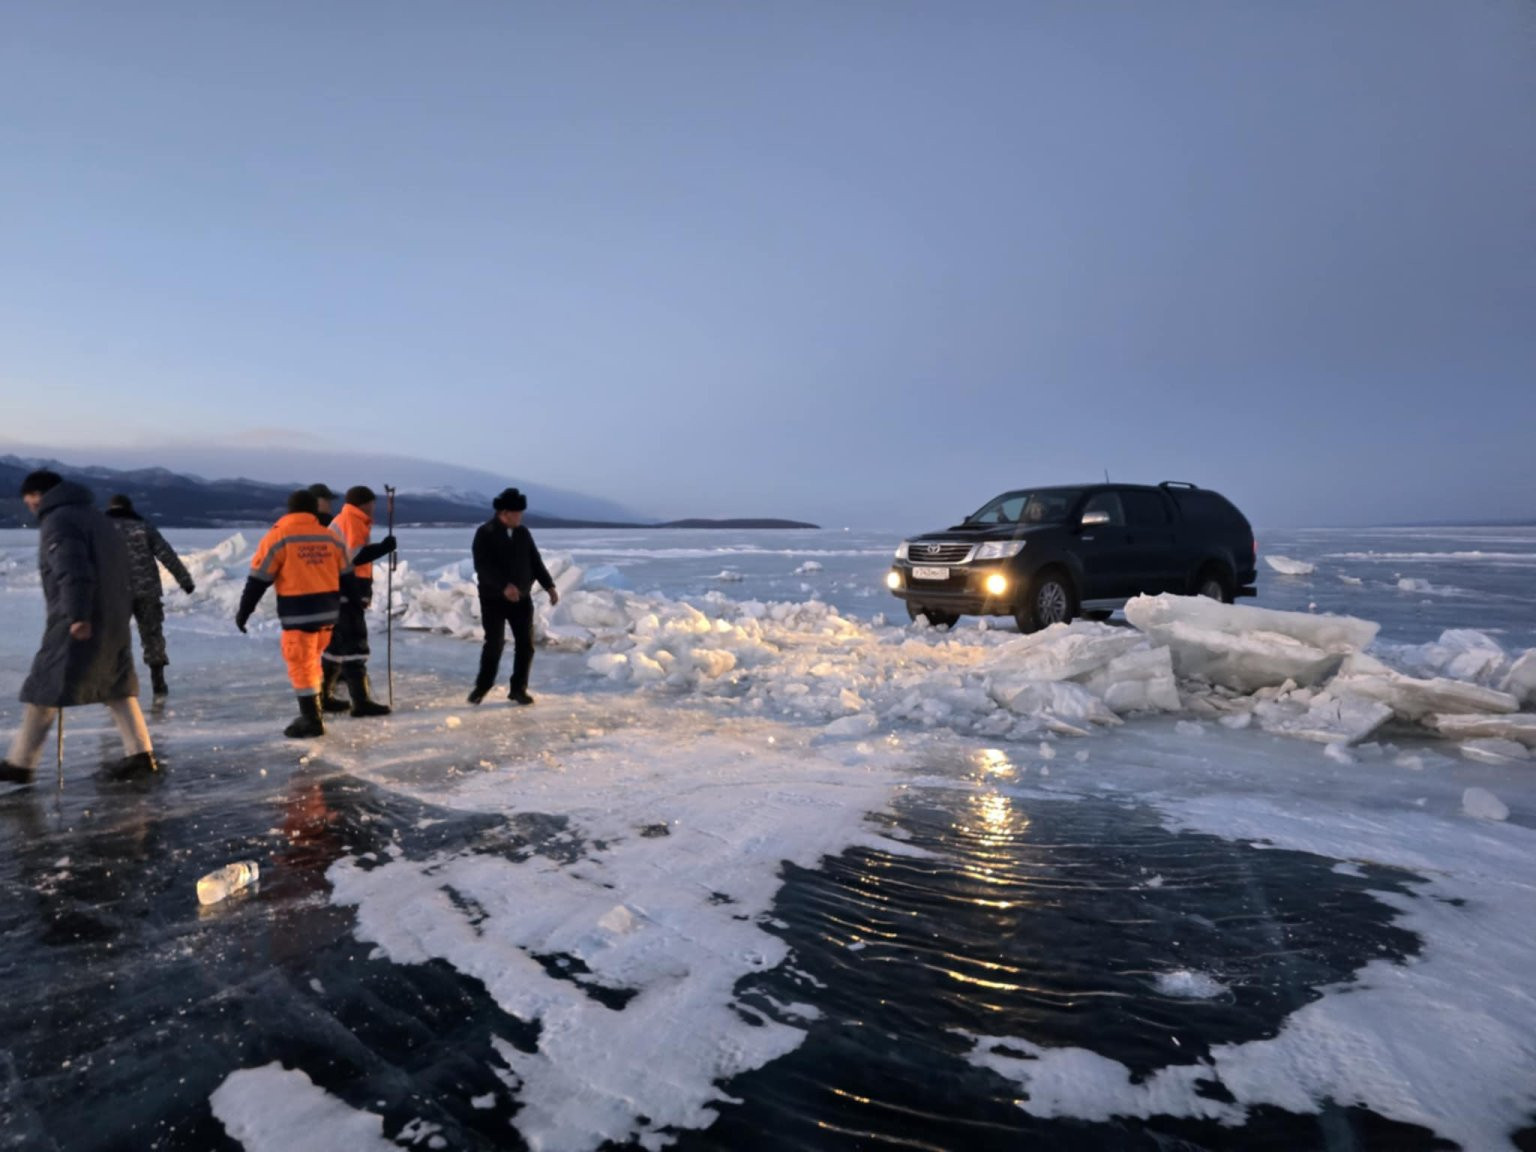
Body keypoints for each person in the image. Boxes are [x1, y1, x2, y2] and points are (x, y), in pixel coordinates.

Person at [0, 471, 157, 784]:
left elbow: (73, 571)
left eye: (29, 498)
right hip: (112, 615)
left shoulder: (59, 521)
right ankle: (140, 755)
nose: (28, 505)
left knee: (46, 684)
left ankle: (20, 763)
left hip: (79, 616)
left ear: (39, 494)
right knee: (116, 684)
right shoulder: (97, 519)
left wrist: (78, 615)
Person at [234, 489, 353, 739]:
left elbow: (258, 580)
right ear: (314, 511)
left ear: (289, 510)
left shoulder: (279, 537)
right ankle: (316, 708)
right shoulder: (330, 538)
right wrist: (351, 604)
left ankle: (311, 719)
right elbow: (347, 577)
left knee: (301, 665)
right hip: (329, 616)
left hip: (299, 616)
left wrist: (244, 612)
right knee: (313, 661)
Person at [468, 487, 559, 706]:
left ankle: (518, 689)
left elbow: (535, 561)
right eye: (517, 514)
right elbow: (482, 566)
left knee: (525, 645)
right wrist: (503, 586)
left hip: (521, 599)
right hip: (493, 599)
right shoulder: (485, 532)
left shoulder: (523, 533)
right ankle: (483, 686)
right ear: (504, 513)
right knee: (494, 643)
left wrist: (549, 586)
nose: (521, 517)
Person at [105, 494, 196, 700]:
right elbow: (166, 554)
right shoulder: (143, 526)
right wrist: (185, 580)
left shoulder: (101, 529)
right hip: (147, 591)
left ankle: (116, 682)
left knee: (115, 638)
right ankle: (158, 681)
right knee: (152, 635)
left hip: (115, 593)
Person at [318, 485, 396, 718]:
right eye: (372, 504)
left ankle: (324, 697)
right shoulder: (352, 520)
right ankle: (360, 702)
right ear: (364, 503)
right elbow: (354, 556)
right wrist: (383, 548)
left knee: (335, 646)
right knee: (354, 644)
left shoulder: (349, 519)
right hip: (344, 590)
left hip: (336, 589)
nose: (374, 508)